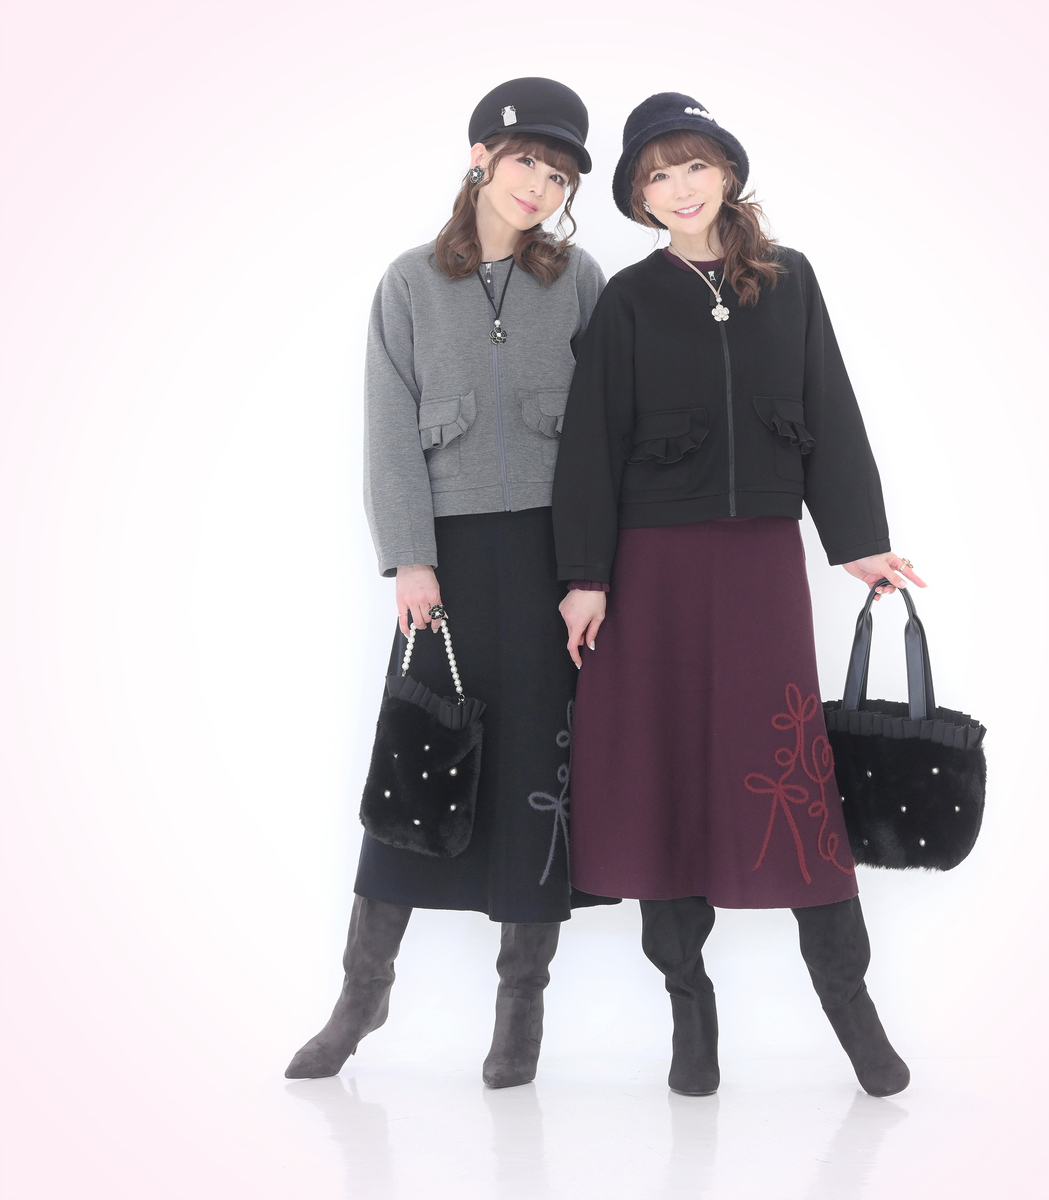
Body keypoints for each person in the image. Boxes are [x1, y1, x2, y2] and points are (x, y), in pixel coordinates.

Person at [552, 92, 925, 1098]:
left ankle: (853, 1011)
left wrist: (860, 542)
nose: (679, 188)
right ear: (639, 197)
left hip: (761, 567)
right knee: (666, 775)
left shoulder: (789, 281)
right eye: (657, 175)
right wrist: (584, 579)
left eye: (694, 166)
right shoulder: (629, 300)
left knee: (790, 779)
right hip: (651, 574)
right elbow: (589, 447)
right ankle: (689, 1010)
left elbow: (829, 406)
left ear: (727, 173)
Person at [287, 77, 617, 1087]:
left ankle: (521, 1011)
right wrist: (411, 558)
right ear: (482, 158)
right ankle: (362, 994)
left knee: (539, 778)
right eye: (526, 162)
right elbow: (388, 427)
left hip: (553, 564)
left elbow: (605, 432)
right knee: (418, 763)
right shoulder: (409, 282)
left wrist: (589, 571)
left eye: (558, 175)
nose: (539, 185)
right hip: (449, 566)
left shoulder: (580, 280)